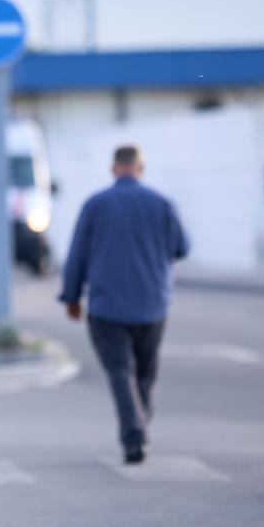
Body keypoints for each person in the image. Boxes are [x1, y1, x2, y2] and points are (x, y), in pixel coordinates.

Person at [58, 145, 189, 464]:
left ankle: (135, 434)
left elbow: (77, 255)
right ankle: (140, 427)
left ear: (114, 168)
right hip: (152, 305)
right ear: (140, 168)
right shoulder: (162, 204)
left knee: (120, 373)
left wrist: (72, 297)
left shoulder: (95, 205)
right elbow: (182, 247)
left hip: (107, 307)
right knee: (144, 374)